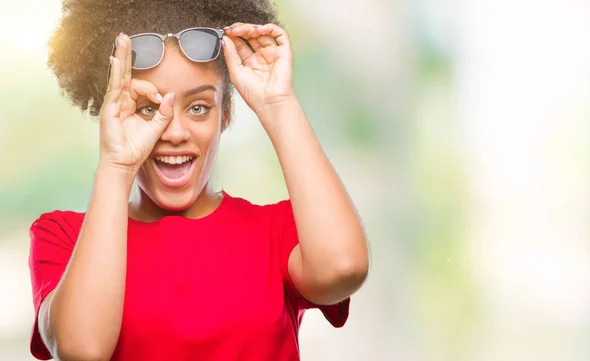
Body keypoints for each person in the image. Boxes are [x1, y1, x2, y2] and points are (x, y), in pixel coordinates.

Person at [27, 1, 370, 360]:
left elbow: (343, 269)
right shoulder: (63, 237)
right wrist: (116, 164)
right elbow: (83, 349)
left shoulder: (277, 232)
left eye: (198, 107)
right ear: (113, 111)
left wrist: (278, 103)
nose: (174, 132)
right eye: (148, 107)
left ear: (226, 114)